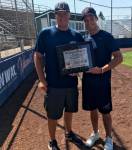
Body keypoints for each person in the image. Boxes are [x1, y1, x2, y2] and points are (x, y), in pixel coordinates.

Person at [34, 2, 84, 150]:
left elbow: (81, 58)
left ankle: (69, 133)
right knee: (53, 115)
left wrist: (79, 70)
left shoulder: (76, 35)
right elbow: (37, 57)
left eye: (64, 13)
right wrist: (42, 80)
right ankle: (52, 141)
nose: (62, 16)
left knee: (69, 111)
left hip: (71, 84)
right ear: (55, 15)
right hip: (53, 84)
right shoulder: (46, 33)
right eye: (59, 14)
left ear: (69, 15)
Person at [81, 7, 123, 150]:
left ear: (96, 19)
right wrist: (75, 70)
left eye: (91, 18)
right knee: (92, 110)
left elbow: (119, 58)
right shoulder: (83, 39)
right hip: (87, 81)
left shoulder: (106, 36)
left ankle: (109, 138)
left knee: (105, 112)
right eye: (85, 20)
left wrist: (101, 70)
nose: (88, 22)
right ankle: (95, 133)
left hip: (103, 82)